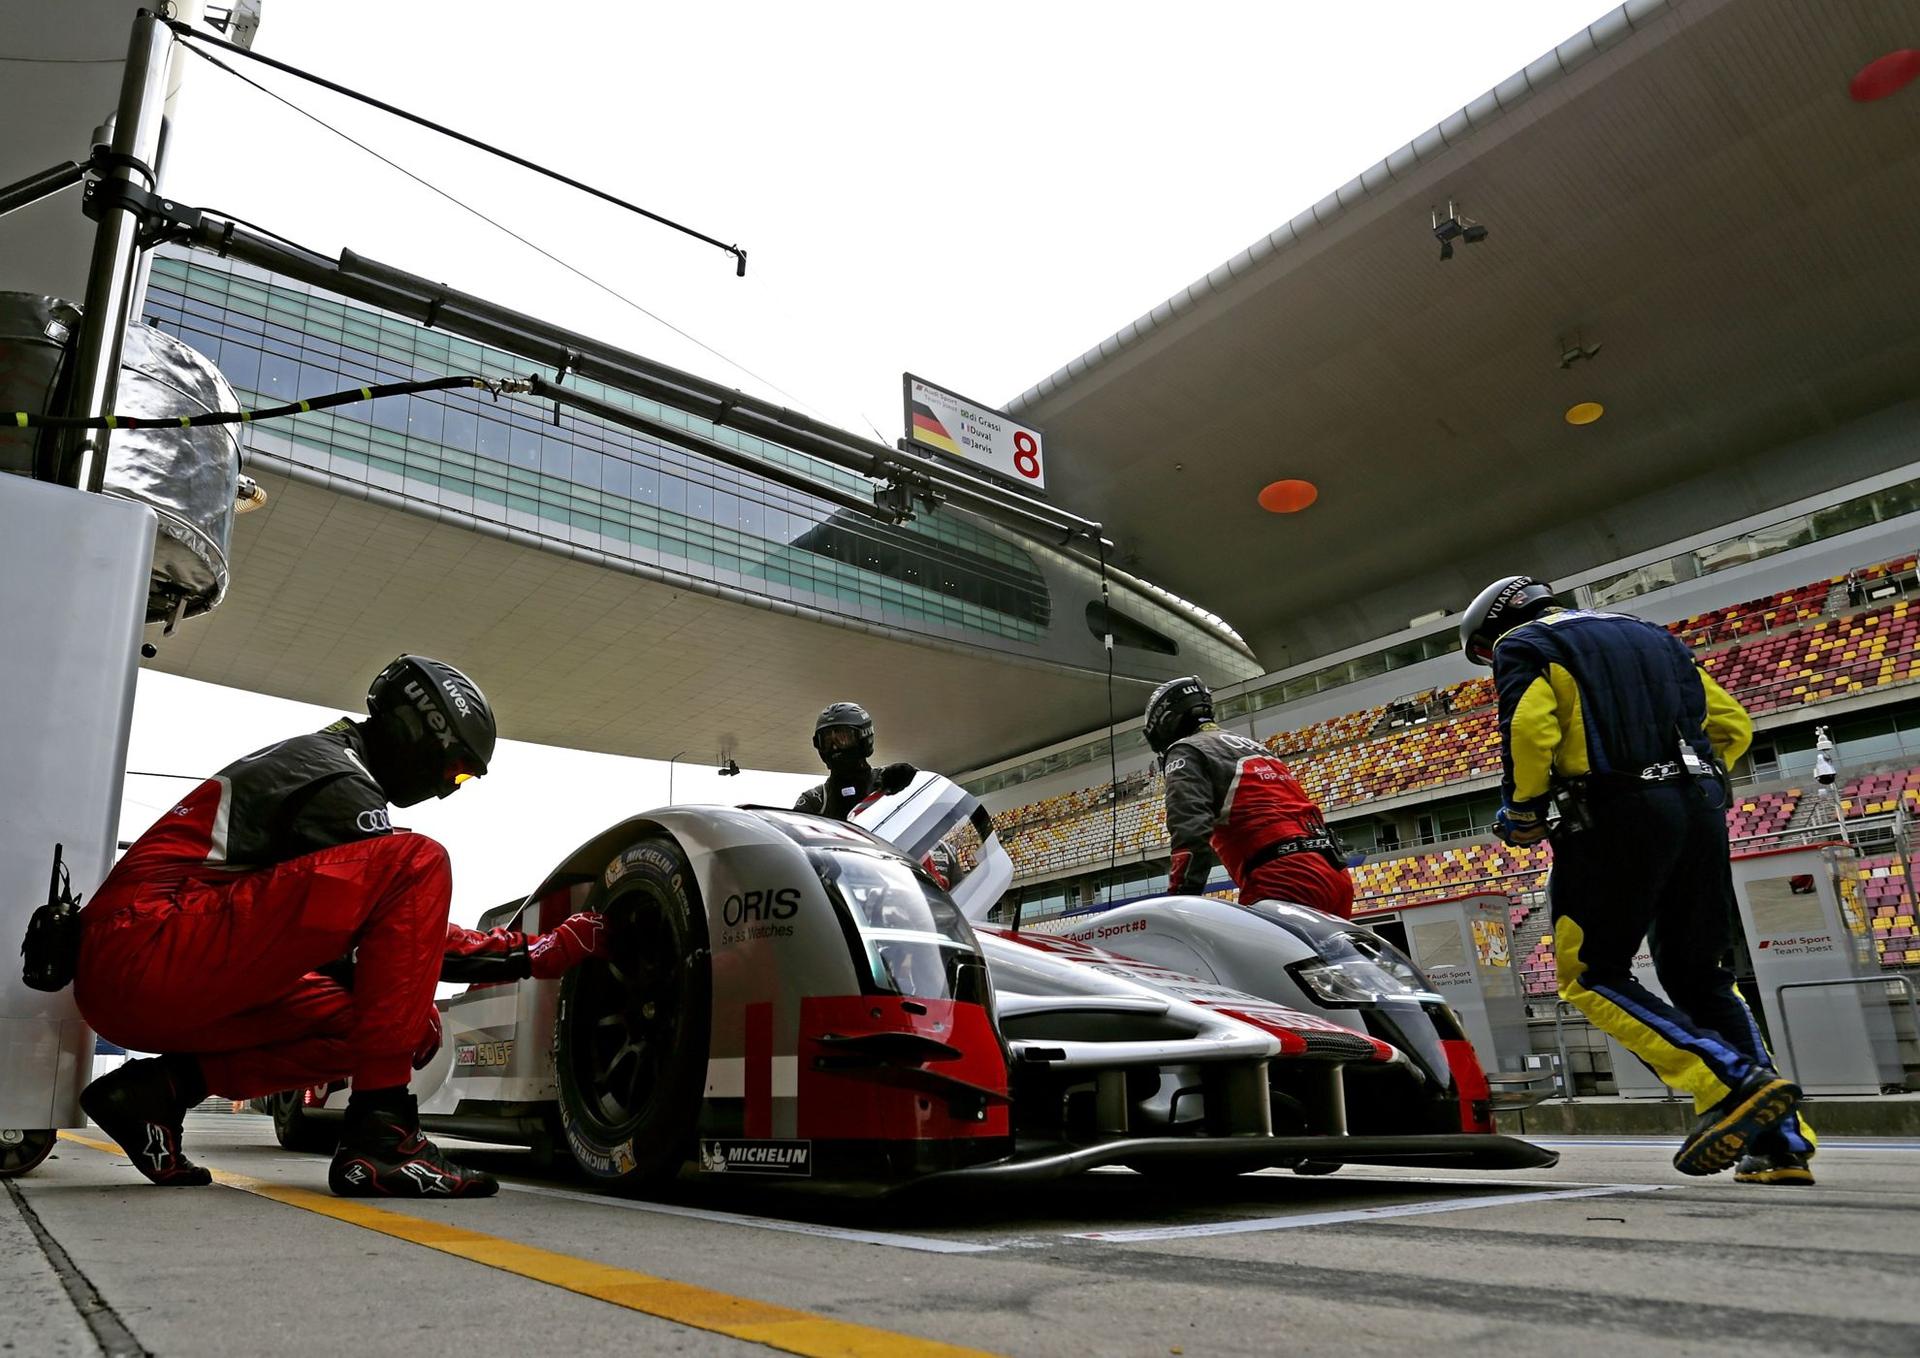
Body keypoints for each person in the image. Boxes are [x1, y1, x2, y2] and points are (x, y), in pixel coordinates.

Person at [73, 655, 601, 1199]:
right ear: (420, 732)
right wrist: (535, 951)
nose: (451, 788)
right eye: (458, 771)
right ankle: (382, 1138)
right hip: (147, 946)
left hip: (152, 967)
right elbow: (412, 926)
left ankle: (158, 1091)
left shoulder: (320, 762)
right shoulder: (334, 777)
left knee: (403, 1028)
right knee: (415, 862)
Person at [1462, 576, 1814, 1183]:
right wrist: (1692, 786)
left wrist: (1522, 810)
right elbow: (1732, 726)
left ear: (1494, 627)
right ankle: (1780, 1146)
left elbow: (1529, 729)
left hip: (1613, 811)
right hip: (1700, 807)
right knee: (1700, 972)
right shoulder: (1655, 637)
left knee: (1589, 973)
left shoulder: (1525, 644)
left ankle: (1726, 1082)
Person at [1145, 676, 1355, 919]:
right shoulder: (1254, 747)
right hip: (1334, 873)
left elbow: (1189, 834)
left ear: (1166, 721)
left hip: (1283, 877)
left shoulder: (1186, 750)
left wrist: (1178, 907)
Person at [793, 702, 917, 820]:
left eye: (843, 738)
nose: (834, 747)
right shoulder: (815, 801)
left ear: (863, 737)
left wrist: (912, 777)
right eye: (827, 741)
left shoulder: (891, 780)